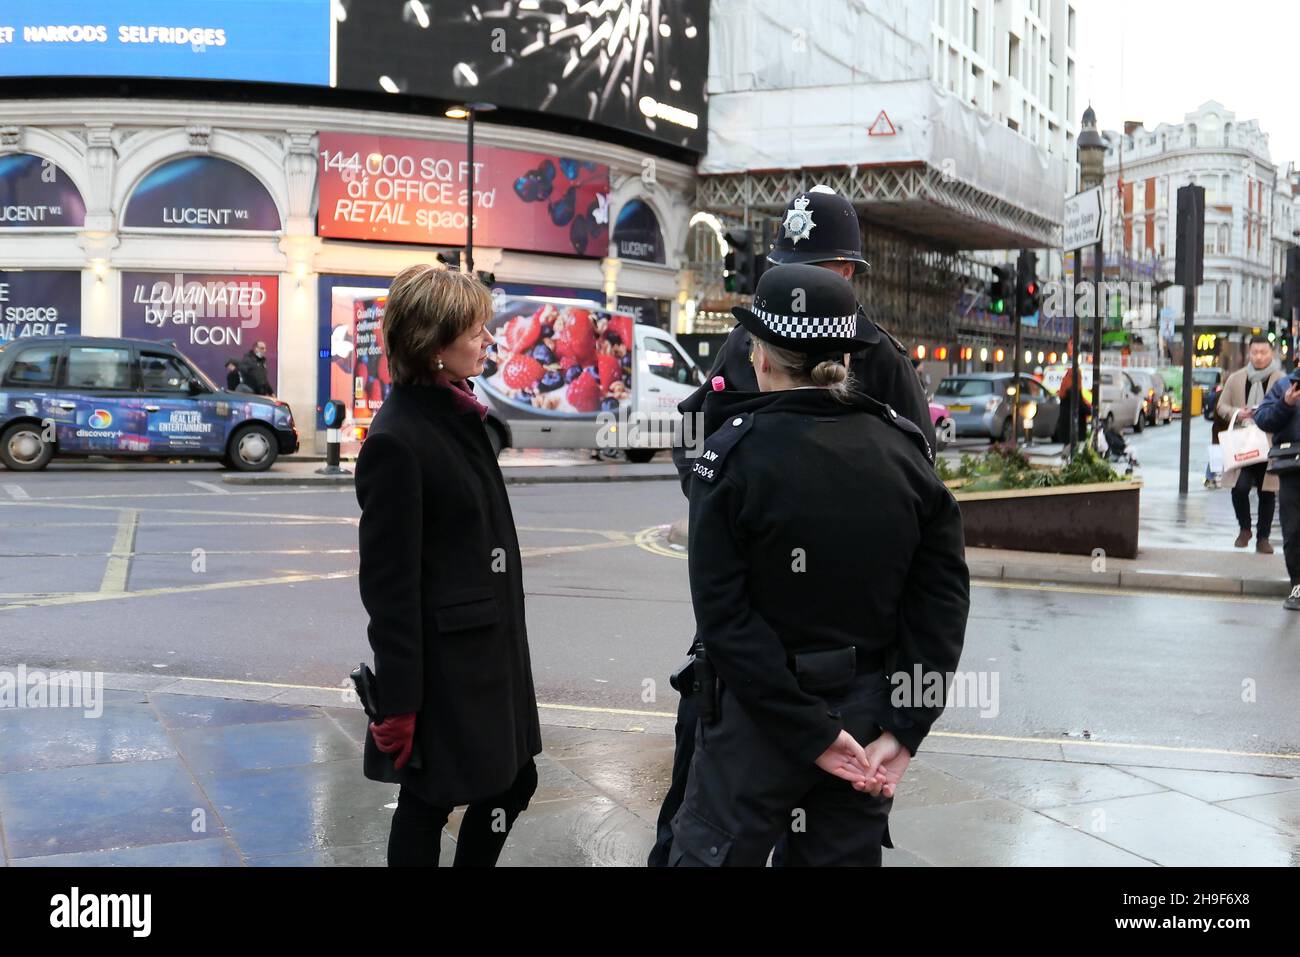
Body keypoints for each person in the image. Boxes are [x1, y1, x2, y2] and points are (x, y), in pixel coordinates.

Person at [650, 186, 936, 868]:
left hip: (850, 650)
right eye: (787, 261)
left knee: (831, 841)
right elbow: (694, 432)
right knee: (696, 818)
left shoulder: (884, 361)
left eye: (819, 266)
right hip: (749, 643)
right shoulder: (753, 339)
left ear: (847, 274)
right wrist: (720, 501)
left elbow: (921, 498)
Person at [355, 264, 541, 866]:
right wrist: (401, 700)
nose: (489, 340)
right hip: (447, 667)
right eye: (476, 331)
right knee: (432, 798)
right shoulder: (398, 440)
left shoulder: (460, 413)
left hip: (490, 653)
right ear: (435, 345)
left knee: (510, 784)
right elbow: (389, 586)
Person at [1217, 336, 1283, 553]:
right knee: (1239, 488)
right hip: (1243, 443)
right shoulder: (1236, 378)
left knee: (1267, 493)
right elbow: (1221, 406)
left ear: (1271, 353)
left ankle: (1263, 538)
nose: (1259, 357)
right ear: (1248, 353)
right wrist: (1237, 412)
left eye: (1263, 352)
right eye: (1255, 352)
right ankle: (1245, 529)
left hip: (1270, 443)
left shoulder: (1281, 379)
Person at [1247, 366, 1300, 609]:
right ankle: (1297, 586)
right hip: (1292, 469)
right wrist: (1286, 404)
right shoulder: (1285, 385)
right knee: (1293, 530)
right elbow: (1263, 419)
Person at [1051, 366, 1090, 445]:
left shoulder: (1065, 386)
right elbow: (1080, 406)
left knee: (1067, 448)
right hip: (1073, 426)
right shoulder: (1074, 389)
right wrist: (1090, 410)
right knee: (1074, 451)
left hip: (1064, 425)